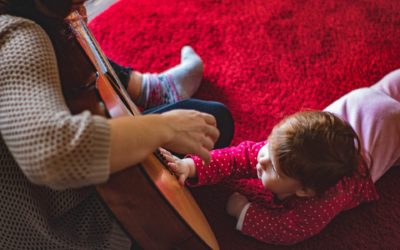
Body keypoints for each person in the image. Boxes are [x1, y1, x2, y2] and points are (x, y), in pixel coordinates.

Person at [0, 0, 234, 249]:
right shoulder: (18, 35)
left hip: (55, 196)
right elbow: (53, 153)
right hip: (63, 228)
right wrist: (164, 128)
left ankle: (151, 89)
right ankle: (156, 90)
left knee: (207, 120)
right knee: (208, 123)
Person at [161, 68, 400, 245]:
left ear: (305, 191)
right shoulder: (278, 155)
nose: (260, 158)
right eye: (269, 146)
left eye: (273, 167)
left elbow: (288, 229)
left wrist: (244, 212)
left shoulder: (321, 202)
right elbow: (235, 158)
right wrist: (190, 166)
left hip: (382, 122)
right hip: (360, 106)